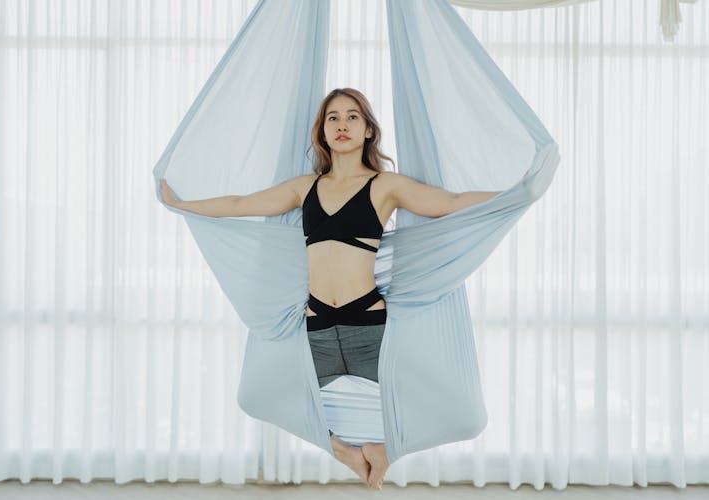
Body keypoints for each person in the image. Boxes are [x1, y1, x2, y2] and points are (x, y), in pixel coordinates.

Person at [160, 88, 500, 490]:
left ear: (369, 130)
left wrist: (515, 195)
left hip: (368, 326)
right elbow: (239, 204)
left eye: (352, 117)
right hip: (317, 327)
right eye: (332, 118)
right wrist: (181, 204)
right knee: (256, 396)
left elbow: (451, 201)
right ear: (322, 131)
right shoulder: (305, 188)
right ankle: (343, 451)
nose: (342, 125)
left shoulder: (384, 185)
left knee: (453, 411)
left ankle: (386, 451)